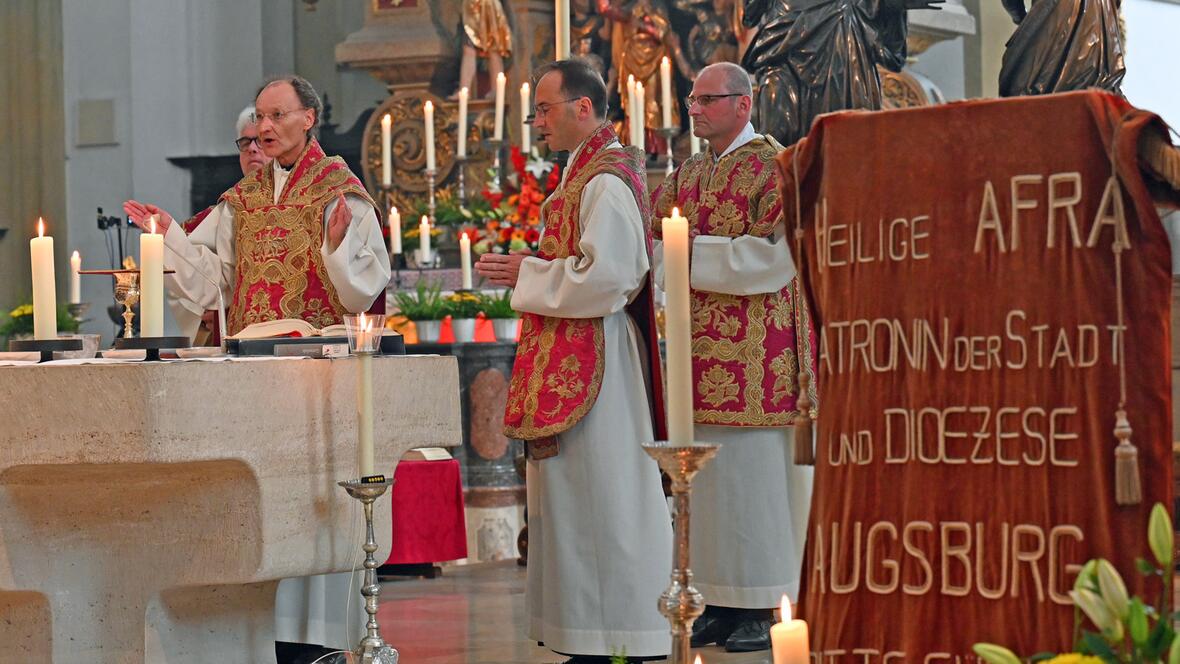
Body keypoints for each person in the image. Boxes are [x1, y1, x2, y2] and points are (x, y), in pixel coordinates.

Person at [475, 58, 672, 664]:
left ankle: (624, 637)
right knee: (576, 500)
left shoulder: (606, 179)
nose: (536, 121)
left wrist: (528, 272)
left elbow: (612, 275)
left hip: (600, 364)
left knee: (609, 498)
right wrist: (534, 273)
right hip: (577, 352)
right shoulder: (582, 174)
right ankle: (589, 636)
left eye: (544, 108)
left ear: (583, 108)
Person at [650, 61, 815, 653]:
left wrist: (694, 253)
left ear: (743, 105)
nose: (693, 109)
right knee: (710, 480)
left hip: (756, 353)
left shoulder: (774, 165)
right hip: (696, 348)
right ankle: (720, 597)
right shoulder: (687, 172)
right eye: (691, 100)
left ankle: (767, 602)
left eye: (707, 100)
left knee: (755, 481)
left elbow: (775, 257)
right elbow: (654, 238)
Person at [124, 75, 390, 337]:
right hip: (249, 355)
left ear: (308, 119)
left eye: (277, 115)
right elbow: (219, 284)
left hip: (317, 357)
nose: (264, 128)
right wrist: (170, 237)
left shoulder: (337, 189)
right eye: (260, 117)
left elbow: (365, 293)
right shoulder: (243, 197)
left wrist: (341, 243)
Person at [739, 0, 942, 145]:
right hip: (781, 39)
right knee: (778, 133)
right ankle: (783, 201)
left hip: (841, 32)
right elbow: (751, 14)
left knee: (843, 138)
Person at [165, 105, 269, 344]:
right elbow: (182, 270)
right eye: (245, 142)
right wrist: (204, 311)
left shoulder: (299, 206)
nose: (252, 148)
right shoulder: (221, 213)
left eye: (261, 141)